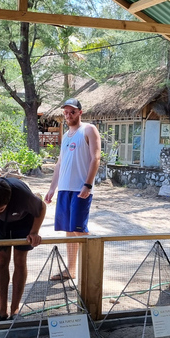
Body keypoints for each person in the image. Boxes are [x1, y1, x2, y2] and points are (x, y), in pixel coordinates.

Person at [44, 98, 101, 281]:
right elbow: (60, 163)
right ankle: (71, 269)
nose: (68, 115)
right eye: (66, 112)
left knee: (79, 229)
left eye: (72, 112)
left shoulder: (89, 129)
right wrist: (53, 188)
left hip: (80, 188)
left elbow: (95, 158)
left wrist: (88, 184)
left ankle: (92, 268)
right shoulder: (67, 135)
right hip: (64, 189)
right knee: (69, 230)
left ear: (80, 112)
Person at [0, 177, 46, 322]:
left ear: (9, 201)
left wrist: (34, 232)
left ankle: (15, 310)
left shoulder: (22, 195)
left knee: (20, 260)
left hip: (23, 221)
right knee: (2, 261)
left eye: (0, 209)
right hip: (0, 225)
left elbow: (41, 207)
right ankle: (2, 310)